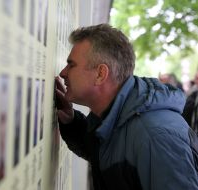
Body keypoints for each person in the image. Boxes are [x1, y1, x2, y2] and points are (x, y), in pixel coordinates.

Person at [55, 24, 198, 190]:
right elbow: (105, 153)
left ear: (101, 74)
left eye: (71, 65)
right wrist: (71, 121)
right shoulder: (118, 115)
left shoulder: (154, 137)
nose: (63, 73)